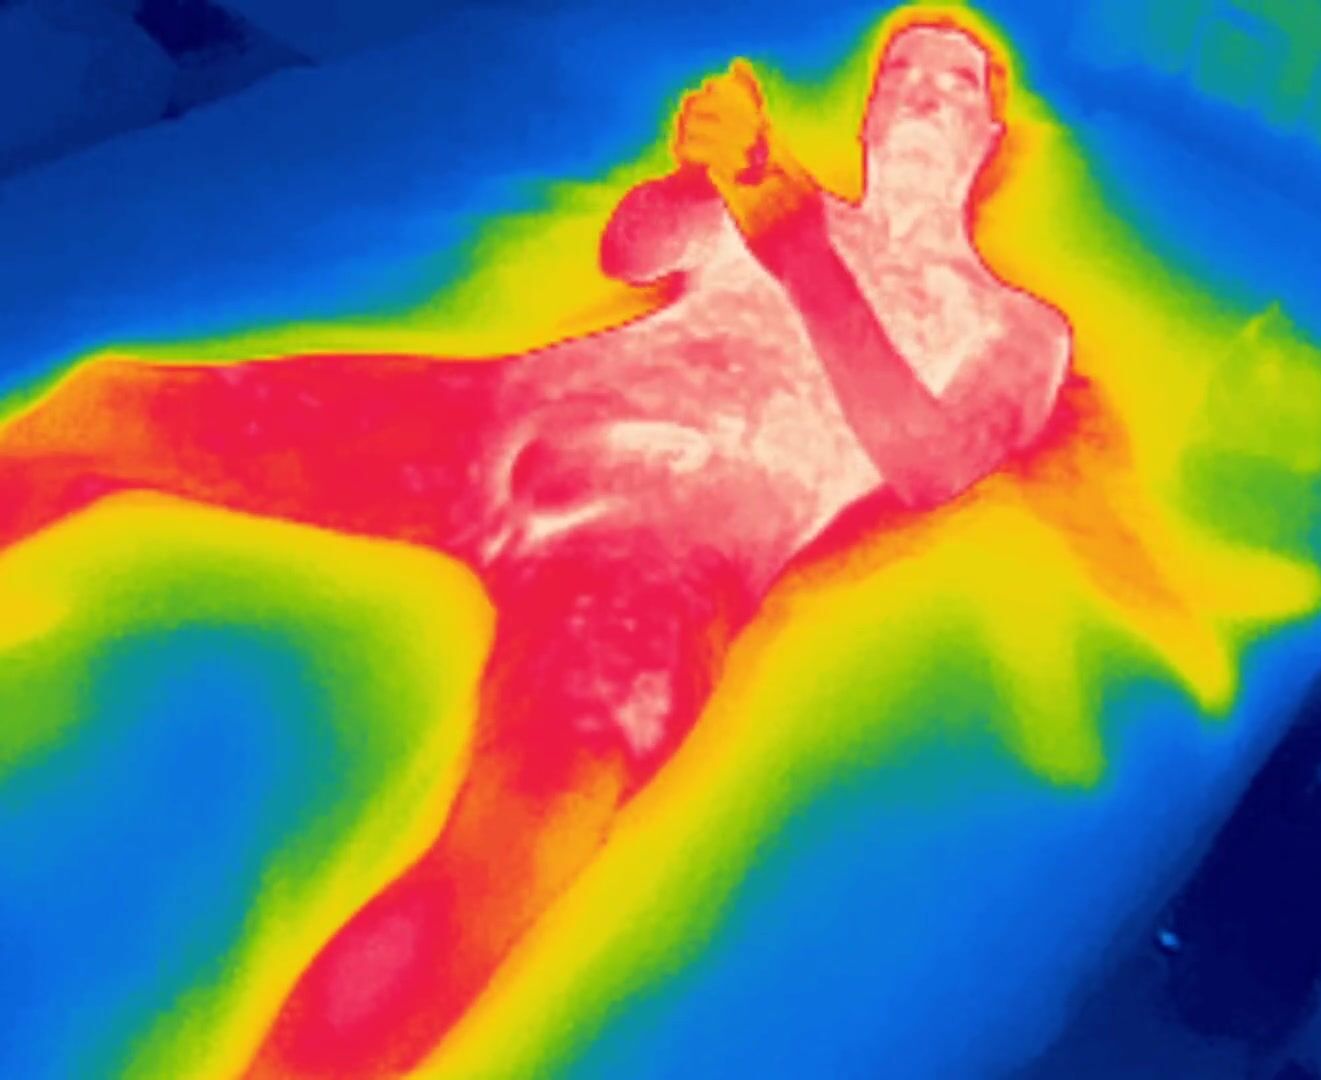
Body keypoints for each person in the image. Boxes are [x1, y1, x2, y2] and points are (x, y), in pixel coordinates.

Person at [0, 23, 1071, 1077]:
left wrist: (791, 236)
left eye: (953, 83)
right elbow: (630, 251)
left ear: (988, 131)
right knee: (110, 405)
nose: (921, 94)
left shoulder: (1013, 328)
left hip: (660, 560)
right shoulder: (773, 198)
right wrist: (695, 177)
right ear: (870, 114)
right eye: (901, 74)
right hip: (500, 420)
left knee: (521, 844)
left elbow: (931, 462)